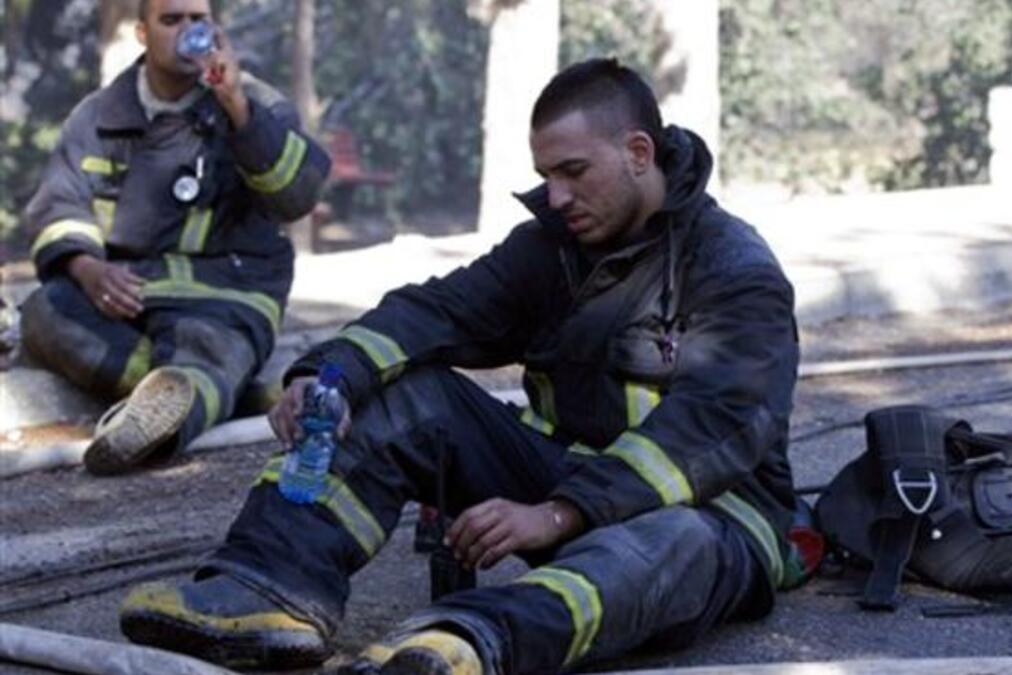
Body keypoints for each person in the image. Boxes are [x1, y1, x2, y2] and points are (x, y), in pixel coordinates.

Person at [119, 58, 802, 674]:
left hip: (715, 514)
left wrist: (559, 514)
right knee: (404, 394)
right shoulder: (554, 247)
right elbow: (437, 312)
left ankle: (463, 644)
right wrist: (328, 374)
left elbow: (715, 428)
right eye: (545, 177)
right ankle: (267, 590)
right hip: (572, 489)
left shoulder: (734, 271)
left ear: (638, 152)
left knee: (665, 542)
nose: (556, 197)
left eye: (573, 172)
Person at [19, 0, 330, 474]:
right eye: (172, 20)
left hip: (228, 292)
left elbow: (298, 197)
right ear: (143, 33)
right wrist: (86, 268)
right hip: (131, 293)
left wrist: (236, 108)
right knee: (45, 312)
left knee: (208, 342)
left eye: (198, 19)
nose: (189, 32)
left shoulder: (256, 102)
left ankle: (162, 419)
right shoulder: (98, 115)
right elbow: (59, 204)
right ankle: (210, 390)